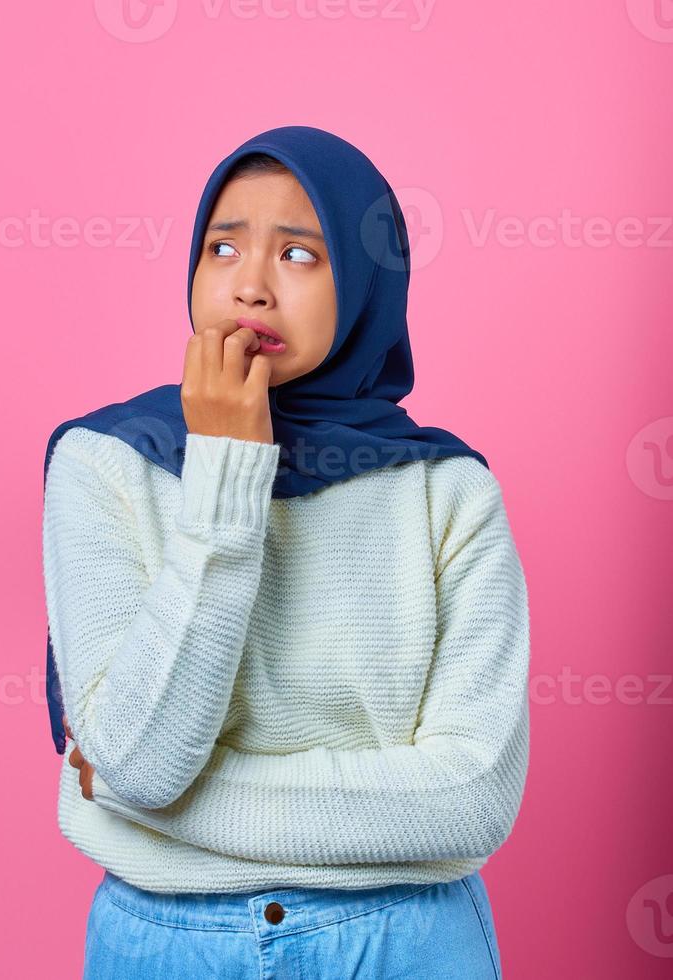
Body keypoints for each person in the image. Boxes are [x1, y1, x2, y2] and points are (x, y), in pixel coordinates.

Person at [40, 125, 528, 978]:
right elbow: (146, 755)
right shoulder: (106, 463)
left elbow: (467, 803)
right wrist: (227, 470)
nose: (251, 288)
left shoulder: (446, 491)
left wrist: (131, 802)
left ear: (366, 281)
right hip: (164, 946)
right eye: (222, 247)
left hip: (401, 943)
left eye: (300, 256)